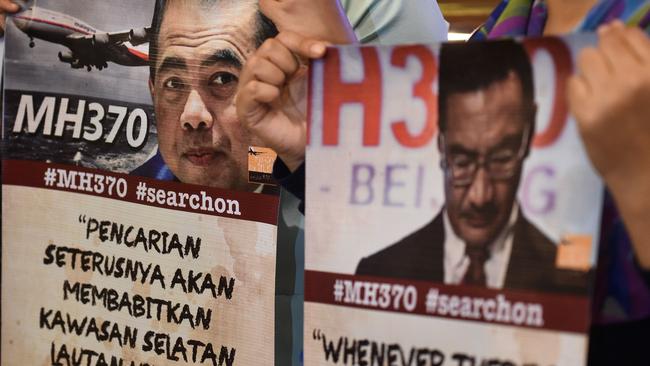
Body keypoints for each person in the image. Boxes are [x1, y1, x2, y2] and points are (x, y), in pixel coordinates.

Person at [354, 40, 586, 294]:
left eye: (501, 159)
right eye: (462, 161)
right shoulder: (380, 271)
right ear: (440, 142)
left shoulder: (570, 281)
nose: (480, 196)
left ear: (528, 135)